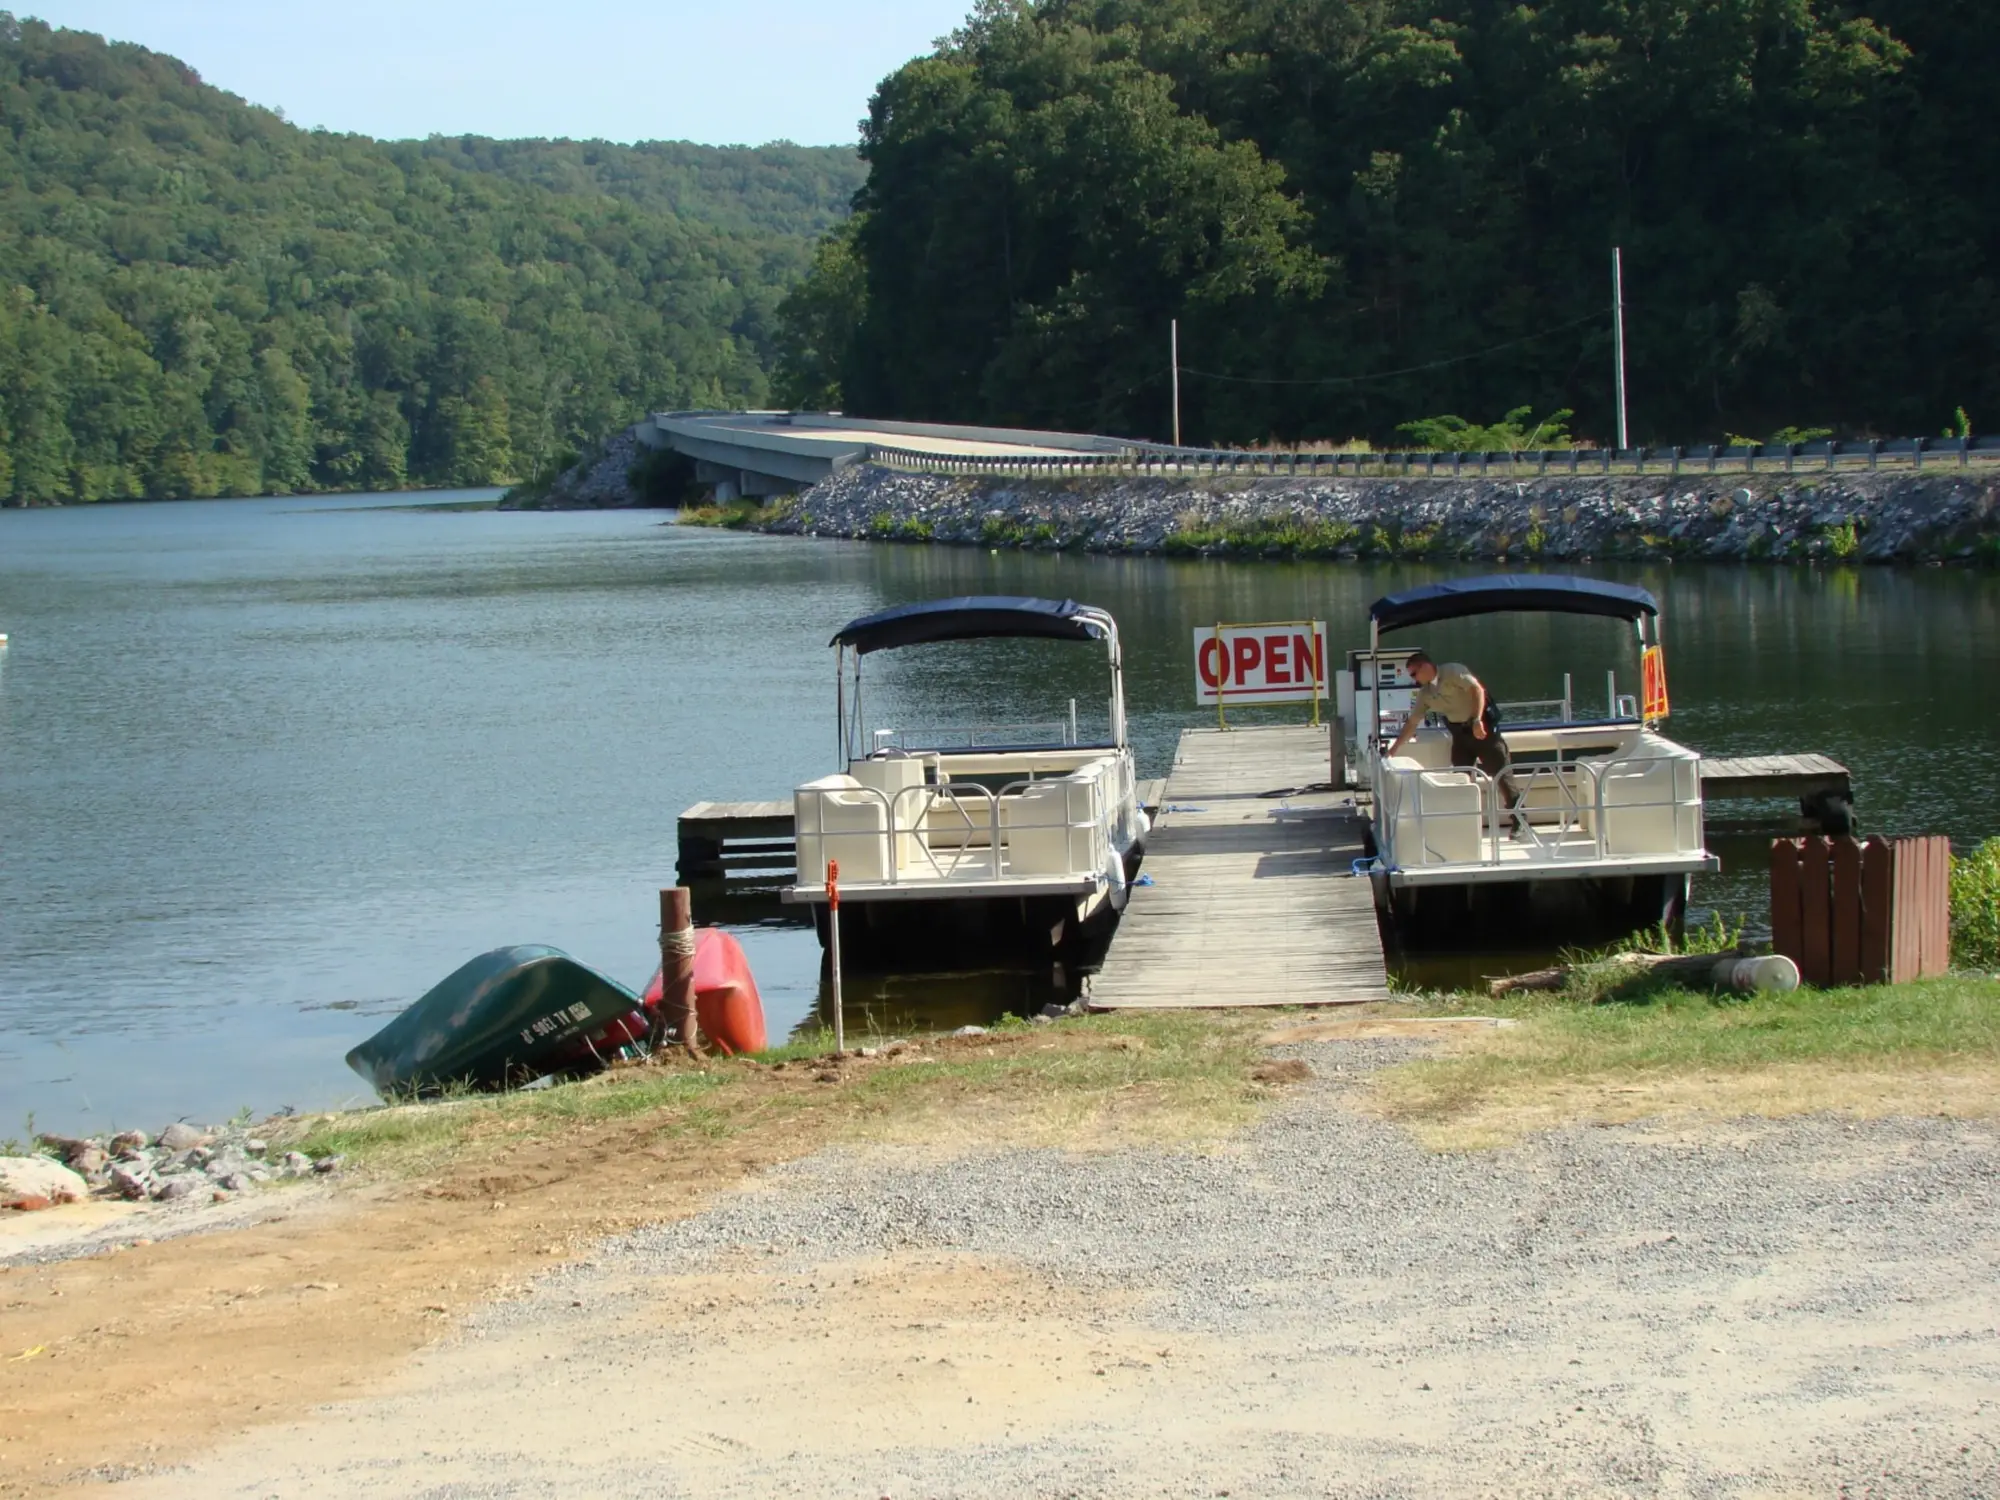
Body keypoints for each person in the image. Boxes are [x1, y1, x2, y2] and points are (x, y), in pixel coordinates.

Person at [1385, 651, 1524, 832]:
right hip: (1460, 735)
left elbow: (1477, 690)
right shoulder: (1426, 694)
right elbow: (1413, 722)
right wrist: (1393, 749)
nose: (1414, 679)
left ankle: (1519, 820)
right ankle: (1466, 824)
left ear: (1425, 666)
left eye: (1414, 674)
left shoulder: (1452, 671)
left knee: (1501, 773)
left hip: (1482, 730)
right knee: (1461, 776)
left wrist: (1476, 719)